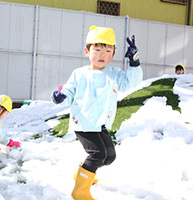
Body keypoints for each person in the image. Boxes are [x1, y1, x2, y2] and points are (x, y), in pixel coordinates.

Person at [51, 25, 143, 200]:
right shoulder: (79, 74)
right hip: (84, 123)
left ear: (113, 55)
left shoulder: (114, 74)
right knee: (98, 154)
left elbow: (131, 82)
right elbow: (69, 92)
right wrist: (60, 96)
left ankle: (83, 172)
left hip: (100, 124)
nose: (102, 55)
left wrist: (135, 61)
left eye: (108, 51)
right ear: (87, 51)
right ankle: (80, 191)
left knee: (109, 157)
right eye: (98, 49)